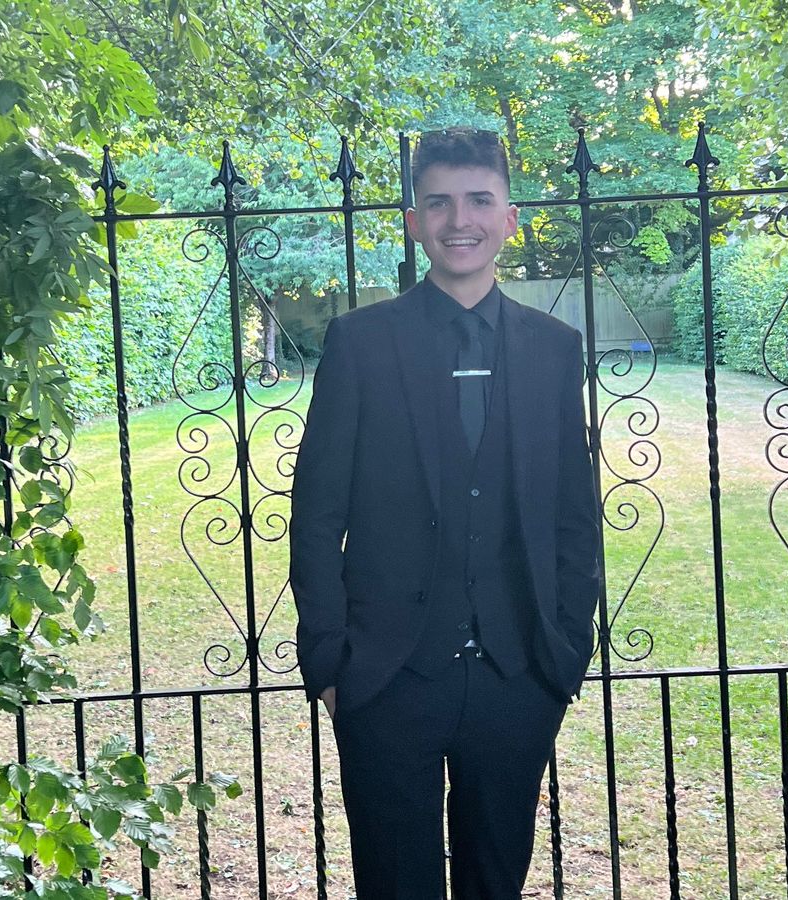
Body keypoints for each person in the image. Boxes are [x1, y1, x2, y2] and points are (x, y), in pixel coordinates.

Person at [289, 126, 601, 899]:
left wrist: (564, 649)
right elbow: (318, 513)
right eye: (438, 203)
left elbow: (573, 513)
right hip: (385, 676)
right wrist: (329, 658)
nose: (459, 220)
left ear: (509, 219)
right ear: (413, 221)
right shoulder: (360, 344)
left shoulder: (553, 348)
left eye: (479, 200)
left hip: (518, 674)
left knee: (497, 884)